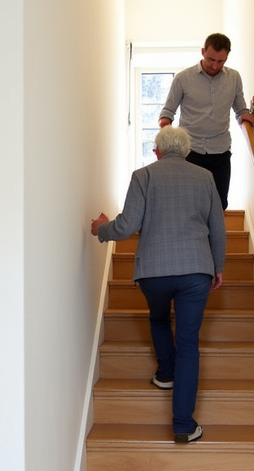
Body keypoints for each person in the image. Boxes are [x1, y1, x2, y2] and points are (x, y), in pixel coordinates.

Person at [90, 126, 226, 444]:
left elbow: (127, 225)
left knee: (159, 317)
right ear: (187, 151)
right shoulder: (205, 177)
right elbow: (217, 229)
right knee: (189, 344)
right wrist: (217, 266)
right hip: (196, 271)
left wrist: (101, 228)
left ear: (157, 151)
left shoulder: (143, 176)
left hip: (154, 272)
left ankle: (166, 373)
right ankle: (183, 425)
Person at [159, 33, 254, 210]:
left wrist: (248, 116)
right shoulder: (183, 78)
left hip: (220, 151)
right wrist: (166, 145)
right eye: (211, 59)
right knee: (189, 204)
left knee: (219, 205)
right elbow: (167, 114)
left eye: (221, 61)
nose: (215, 65)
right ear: (203, 51)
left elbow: (240, 110)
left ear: (227, 57)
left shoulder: (234, 78)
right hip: (190, 151)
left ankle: (212, 238)